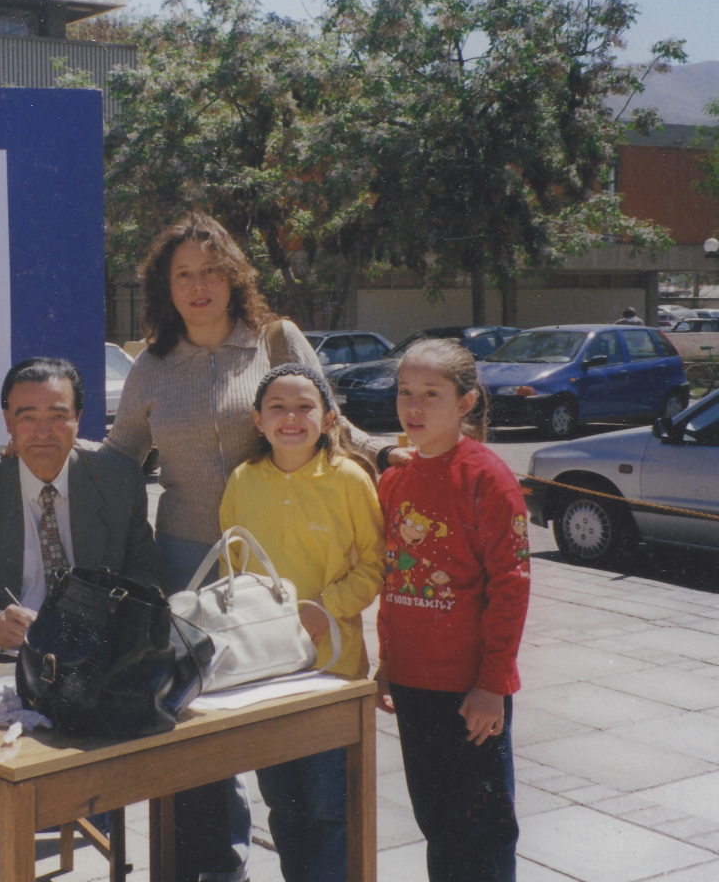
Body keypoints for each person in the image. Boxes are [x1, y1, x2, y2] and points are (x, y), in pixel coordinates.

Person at [104, 212, 409, 882]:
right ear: (166, 285)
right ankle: (225, 868)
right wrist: (50, 463)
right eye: (183, 273)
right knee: (211, 737)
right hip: (191, 565)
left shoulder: (275, 339)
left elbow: (328, 419)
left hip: (285, 565)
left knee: (286, 727)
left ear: (233, 275)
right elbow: (119, 457)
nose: (199, 285)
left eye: (211, 270)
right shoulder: (151, 368)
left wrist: (388, 455)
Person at [0, 357, 162, 882]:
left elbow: (147, 579)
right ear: (6, 422)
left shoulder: (118, 480)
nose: (42, 432)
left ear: (80, 418)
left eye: (58, 415)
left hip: (94, 664)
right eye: (26, 416)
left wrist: (104, 628)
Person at [217, 363, 385, 882]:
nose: (292, 417)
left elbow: (376, 563)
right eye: (278, 407)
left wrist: (326, 606)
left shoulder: (350, 479)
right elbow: (231, 568)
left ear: (329, 418)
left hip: (331, 672)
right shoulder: (244, 480)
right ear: (258, 420)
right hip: (266, 676)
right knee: (284, 806)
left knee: (331, 807)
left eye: (305, 406)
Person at [373, 339, 531, 882]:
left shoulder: (487, 478)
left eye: (431, 395)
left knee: (483, 829)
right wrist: (387, 661)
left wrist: (492, 684)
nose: (413, 408)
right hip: (415, 686)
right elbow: (393, 577)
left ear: (464, 404)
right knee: (437, 822)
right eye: (405, 393)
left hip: (471, 691)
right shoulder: (394, 479)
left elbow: (510, 588)